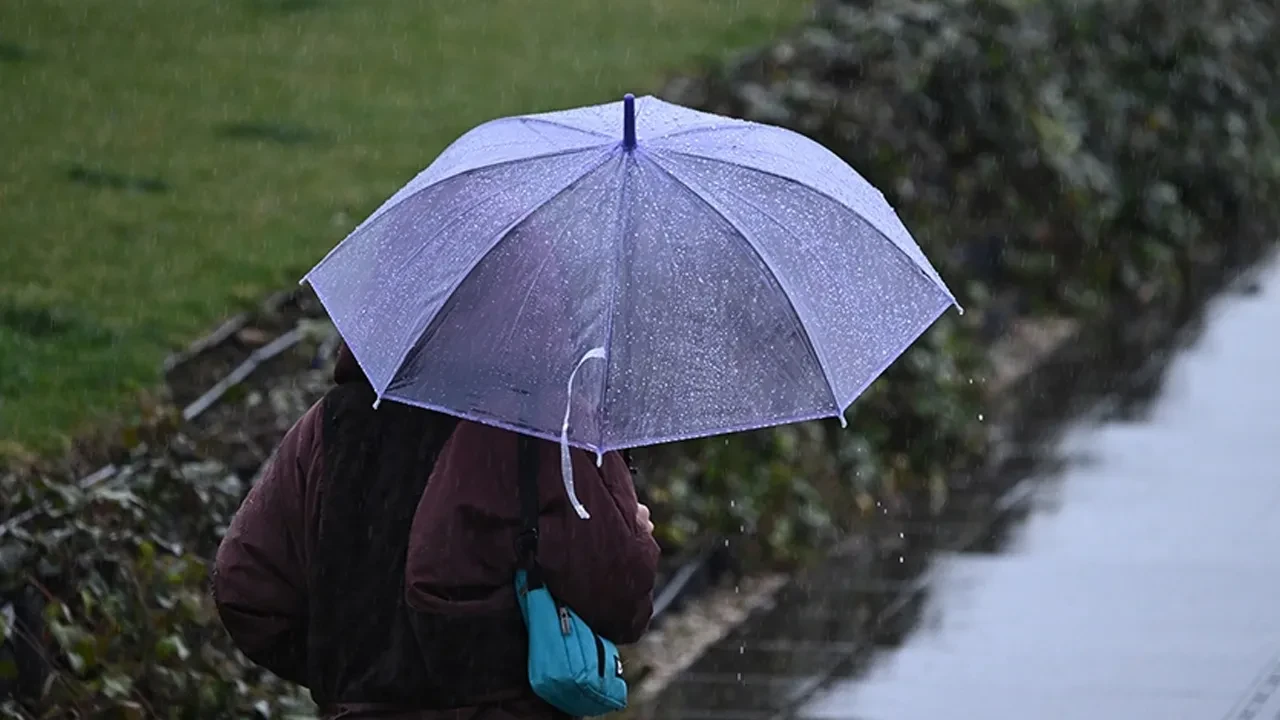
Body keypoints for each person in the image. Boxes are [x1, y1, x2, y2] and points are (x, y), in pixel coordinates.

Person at [212, 342, 660, 719]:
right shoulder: (538, 423)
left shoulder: (336, 422)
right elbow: (619, 596)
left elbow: (246, 588)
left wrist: (354, 675)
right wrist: (633, 533)